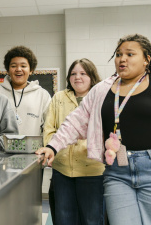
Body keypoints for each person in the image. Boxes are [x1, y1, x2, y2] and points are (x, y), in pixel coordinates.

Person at [37, 34, 151, 225]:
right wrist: (53, 146)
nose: (122, 59)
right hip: (117, 172)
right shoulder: (102, 90)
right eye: (118, 54)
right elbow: (75, 121)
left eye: (130, 54)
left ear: (146, 59)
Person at [43, 58, 105, 225]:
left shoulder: (101, 97)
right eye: (73, 74)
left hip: (92, 170)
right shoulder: (59, 97)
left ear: (92, 76)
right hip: (62, 170)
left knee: (92, 219)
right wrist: (54, 150)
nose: (78, 77)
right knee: (64, 218)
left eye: (83, 73)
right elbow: (49, 129)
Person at [0, 46, 51, 135]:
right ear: (8, 70)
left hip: (33, 148)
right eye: (13, 66)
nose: (18, 69)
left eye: (23, 66)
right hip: (1, 148)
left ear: (31, 70)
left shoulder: (42, 95)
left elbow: (49, 126)